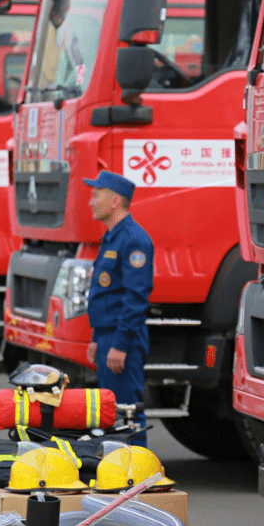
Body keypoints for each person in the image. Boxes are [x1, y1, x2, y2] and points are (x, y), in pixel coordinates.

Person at [84, 170, 154, 447]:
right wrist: (96, 338)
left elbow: (136, 297)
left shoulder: (134, 239)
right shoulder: (113, 237)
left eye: (96, 195)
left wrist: (120, 344)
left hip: (121, 337)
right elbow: (107, 293)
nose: (91, 202)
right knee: (112, 412)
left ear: (115, 201)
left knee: (127, 411)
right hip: (107, 336)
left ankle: (136, 478)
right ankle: (119, 475)